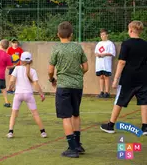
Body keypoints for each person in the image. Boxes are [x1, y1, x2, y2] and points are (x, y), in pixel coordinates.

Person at [48, 21, 88, 158]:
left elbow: (50, 70)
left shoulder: (56, 49)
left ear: (58, 34)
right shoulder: (78, 48)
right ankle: (78, 144)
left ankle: (72, 148)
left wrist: (52, 79)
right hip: (77, 86)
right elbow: (86, 67)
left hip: (63, 86)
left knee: (65, 116)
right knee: (75, 114)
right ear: (71, 34)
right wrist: (77, 75)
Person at [100, 21, 147, 136]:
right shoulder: (145, 44)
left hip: (128, 78)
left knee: (119, 101)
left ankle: (110, 125)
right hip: (143, 77)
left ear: (130, 30)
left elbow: (121, 62)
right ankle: (145, 127)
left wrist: (116, 79)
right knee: (144, 101)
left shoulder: (126, 44)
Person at [6, 51, 47, 138]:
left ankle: (10, 132)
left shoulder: (17, 69)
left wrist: (9, 88)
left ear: (21, 60)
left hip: (18, 94)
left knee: (14, 114)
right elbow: (36, 84)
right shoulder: (33, 71)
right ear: (31, 61)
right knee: (35, 114)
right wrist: (41, 94)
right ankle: (43, 132)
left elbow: (12, 80)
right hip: (28, 94)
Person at [95, 29, 116, 98]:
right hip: (99, 63)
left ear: (107, 35)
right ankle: (101, 92)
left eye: (103, 34)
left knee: (106, 77)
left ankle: (107, 92)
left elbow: (112, 53)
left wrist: (105, 54)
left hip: (106, 63)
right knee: (101, 77)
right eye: (101, 35)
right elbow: (96, 52)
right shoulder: (99, 43)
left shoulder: (110, 43)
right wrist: (97, 54)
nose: (102, 36)